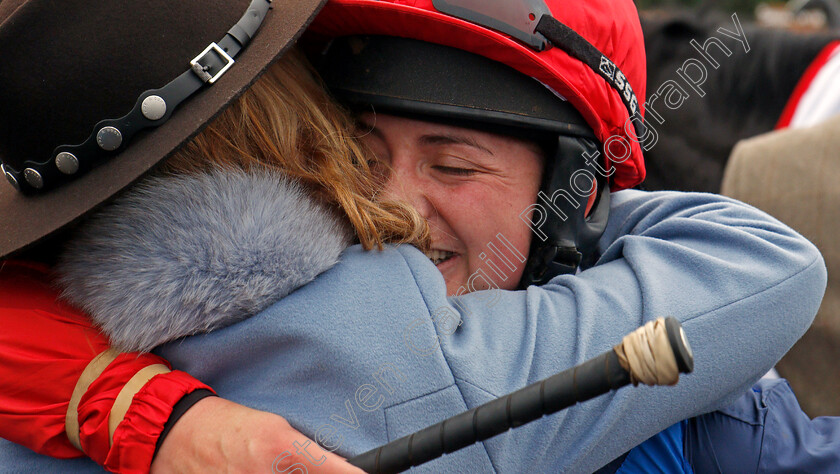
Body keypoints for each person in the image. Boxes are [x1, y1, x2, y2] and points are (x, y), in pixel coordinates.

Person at [0, 1, 828, 473]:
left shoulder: (80, 350)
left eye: (455, 167)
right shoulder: (669, 409)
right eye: (356, 158)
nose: (392, 209)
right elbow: (768, 263)